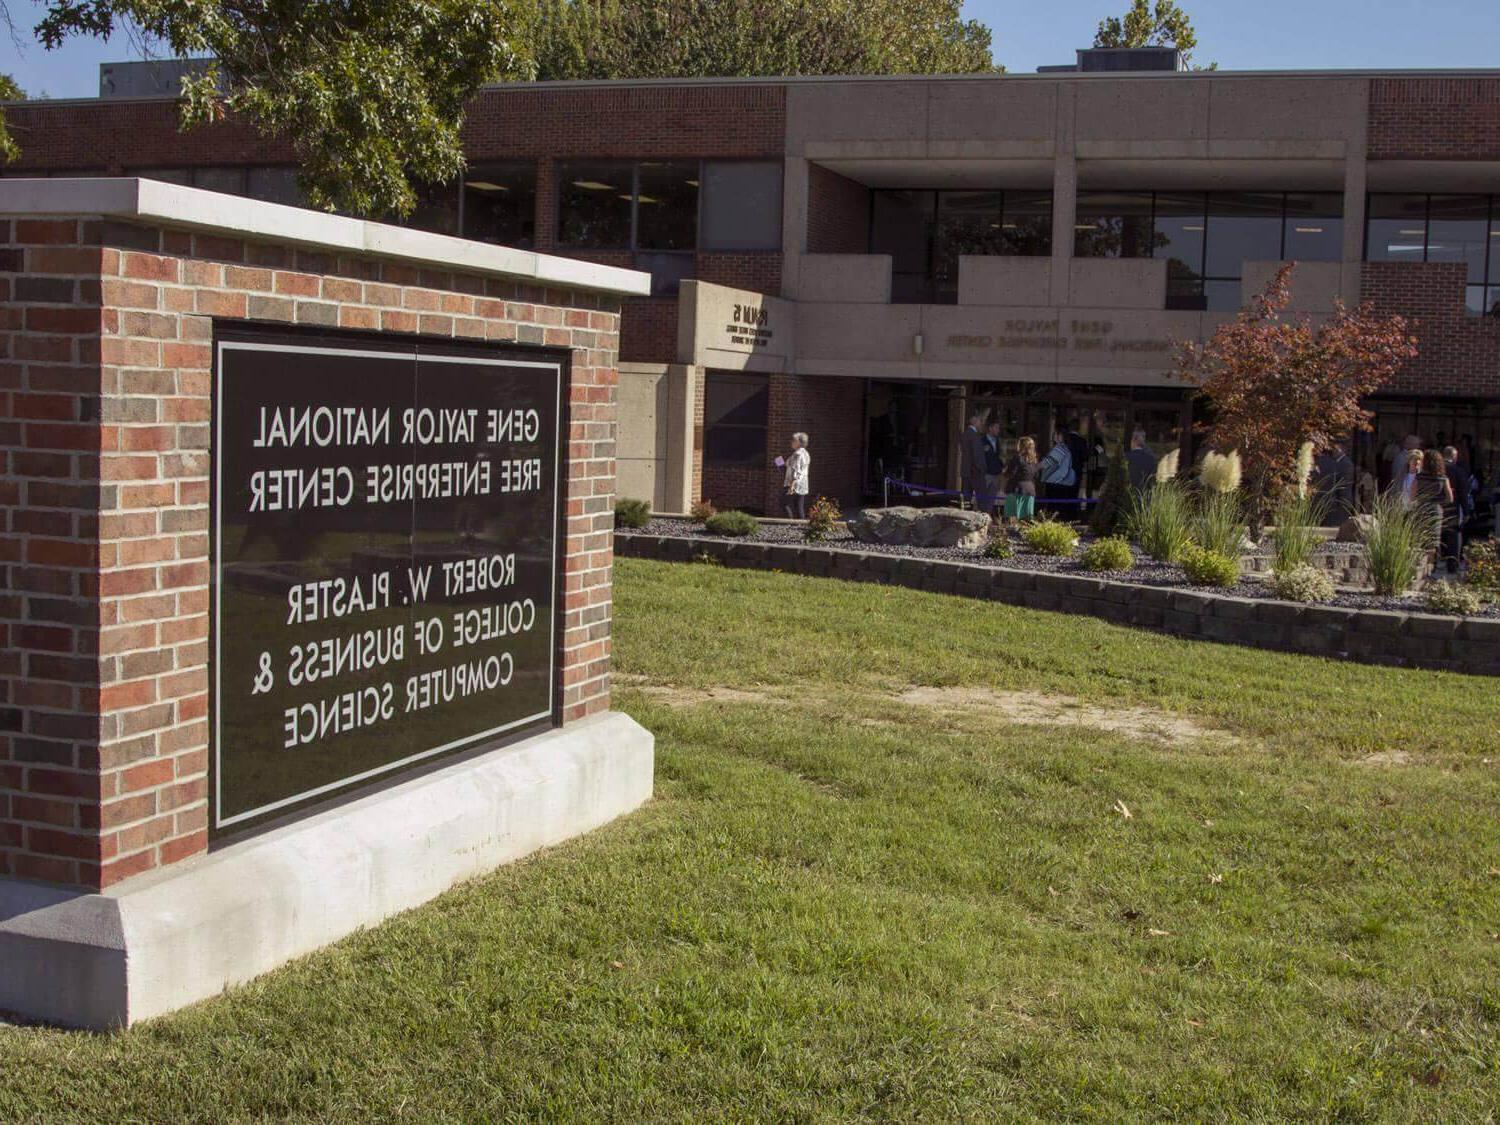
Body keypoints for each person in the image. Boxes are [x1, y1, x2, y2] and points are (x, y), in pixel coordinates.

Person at [1413, 449, 1455, 554]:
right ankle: (1432, 564)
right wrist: (1440, 503)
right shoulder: (1443, 479)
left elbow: (1412, 496)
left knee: (1421, 537)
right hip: (1435, 509)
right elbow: (1450, 498)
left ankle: (1421, 564)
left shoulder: (1418, 478)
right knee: (1433, 539)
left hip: (1421, 508)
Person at [1442, 445, 1474, 572]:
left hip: (1437, 505)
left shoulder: (1436, 469)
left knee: (1436, 534)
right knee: (1453, 535)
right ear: (1454, 456)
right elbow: (1463, 493)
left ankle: (1434, 562)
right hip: (1452, 506)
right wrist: (1466, 511)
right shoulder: (1458, 471)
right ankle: (1452, 564)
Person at [1313, 441, 1355, 524]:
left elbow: (1344, 489)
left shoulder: (1345, 464)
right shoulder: (1334, 462)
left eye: (1336, 447)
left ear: (1343, 448)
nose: (1333, 449)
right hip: (1330, 506)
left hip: (1333, 506)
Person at [1037, 427, 1077, 508]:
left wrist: (1035, 466)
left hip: (1056, 481)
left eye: (1055, 433)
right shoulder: (1065, 447)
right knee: (1059, 506)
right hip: (1062, 481)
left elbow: (1049, 461)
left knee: (1053, 506)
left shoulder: (1060, 448)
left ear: (1060, 436)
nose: (1053, 435)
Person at [1003, 436, 1039, 522]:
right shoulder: (1034, 460)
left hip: (1016, 489)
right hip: (1030, 490)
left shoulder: (1018, 458)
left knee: (1012, 519)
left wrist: (1004, 473)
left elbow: (1011, 473)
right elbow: (1036, 475)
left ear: (1022, 446)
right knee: (1027, 520)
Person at [960, 411, 987, 509]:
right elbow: (976, 455)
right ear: (975, 421)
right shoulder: (974, 435)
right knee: (982, 498)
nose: (981, 423)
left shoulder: (966, 434)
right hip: (975, 472)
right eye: (980, 421)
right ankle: (983, 517)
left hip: (967, 471)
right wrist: (981, 468)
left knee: (966, 499)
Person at [782, 432, 810, 519]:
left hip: (794, 484)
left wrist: (792, 485)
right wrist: (779, 462)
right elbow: (787, 467)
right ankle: (800, 526)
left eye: (793, 440)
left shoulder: (798, 454)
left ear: (799, 442)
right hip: (802, 484)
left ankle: (790, 524)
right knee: (798, 506)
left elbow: (797, 471)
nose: (791, 442)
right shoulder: (805, 453)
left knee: (783, 503)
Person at [1063, 416, 1090, 499]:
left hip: (1063, 472)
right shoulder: (1082, 441)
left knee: (1063, 494)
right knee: (1073, 495)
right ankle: (1072, 510)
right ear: (1078, 428)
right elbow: (1085, 457)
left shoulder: (1064, 440)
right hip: (1076, 472)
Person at [982, 418, 1004, 514]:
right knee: (982, 497)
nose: (998, 430)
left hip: (996, 474)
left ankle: (987, 517)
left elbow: (999, 456)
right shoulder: (982, 440)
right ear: (990, 428)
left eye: (999, 428)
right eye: (996, 428)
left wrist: (1001, 466)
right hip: (985, 474)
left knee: (991, 498)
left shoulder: (998, 441)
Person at [1126, 429, 1158, 493]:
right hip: (1146, 496)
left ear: (1133, 441)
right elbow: (1153, 480)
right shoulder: (1151, 459)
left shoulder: (1126, 457)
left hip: (1128, 495)